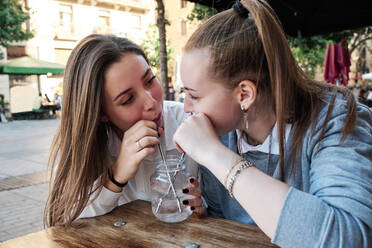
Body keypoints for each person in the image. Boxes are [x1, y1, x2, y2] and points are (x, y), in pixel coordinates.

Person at [173, 0, 372, 247]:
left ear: (244, 94)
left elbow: (348, 237)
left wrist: (214, 154)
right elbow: (231, 222)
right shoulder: (223, 130)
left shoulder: (335, 118)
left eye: (194, 96)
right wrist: (206, 212)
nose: (187, 108)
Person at [44, 34, 202, 227]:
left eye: (150, 80)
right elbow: (65, 218)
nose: (151, 102)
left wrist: (201, 206)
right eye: (127, 100)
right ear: (101, 113)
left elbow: (223, 206)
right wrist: (117, 176)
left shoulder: (187, 122)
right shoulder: (83, 145)